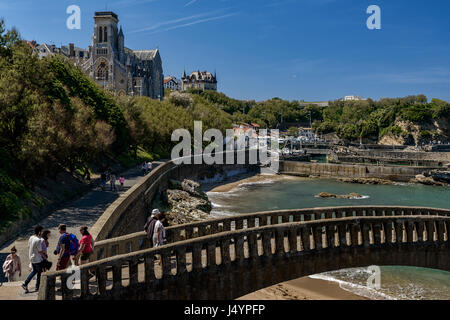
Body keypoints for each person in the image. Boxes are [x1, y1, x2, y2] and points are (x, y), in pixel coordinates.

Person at [22, 225, 45, 293]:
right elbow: (40, 251)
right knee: (39, 273)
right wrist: (45, 257)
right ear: (39, 232)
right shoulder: (38, 240)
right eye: (41, 231)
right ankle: (37, 287)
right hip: (37, 259)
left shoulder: (31, 237)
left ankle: (25, 283)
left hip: (32, 258)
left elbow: (28, 246)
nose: (42, 233)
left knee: (34, 271)